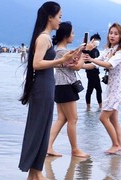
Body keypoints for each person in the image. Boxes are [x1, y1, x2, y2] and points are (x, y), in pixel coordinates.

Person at [18, 2, 76, 179]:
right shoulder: (44, 37)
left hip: (46, 86)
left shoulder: (46, 37)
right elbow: (37, 64)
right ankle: (35, 171)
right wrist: (60, 61)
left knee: (42, 128)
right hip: (42, 87)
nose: (60, 20)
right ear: (50, 17)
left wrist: (66, 60)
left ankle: (35, 173)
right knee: (39, 128)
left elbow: (43, 63)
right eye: (59, 16)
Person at [84, 23, 121, 154]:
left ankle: (115, 145)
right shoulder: (108, 50)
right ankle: (120, 147)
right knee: (114, 120)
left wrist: (91, 59)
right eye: (111, 33)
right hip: (111, 88)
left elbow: (109, 64)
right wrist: (80, 65)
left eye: (116, 33)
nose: (112, 35)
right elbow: (94, 64)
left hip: (118, 89)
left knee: (103, 118)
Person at [47, 21, 90, 158]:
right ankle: (75, 149)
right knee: (73, 119)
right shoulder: (63, 52)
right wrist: (84, 54)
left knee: (62, 118)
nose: (73, 35)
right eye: (72, 33)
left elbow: (73, 59)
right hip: (65, 86)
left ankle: (48, 145)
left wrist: (80, 50)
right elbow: (76, 66)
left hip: (60, 86)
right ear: (66, 35)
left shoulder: (59, 50)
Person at [85, 33, 103, 110]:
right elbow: (85, 60)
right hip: (90, 72)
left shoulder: (97, 50)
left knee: (99, 90)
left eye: (98, 41)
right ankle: (88, 107)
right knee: (90, 90)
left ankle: (100, 106)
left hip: (96, 72)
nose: (97, 42)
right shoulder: (89, 49)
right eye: (96, 41)